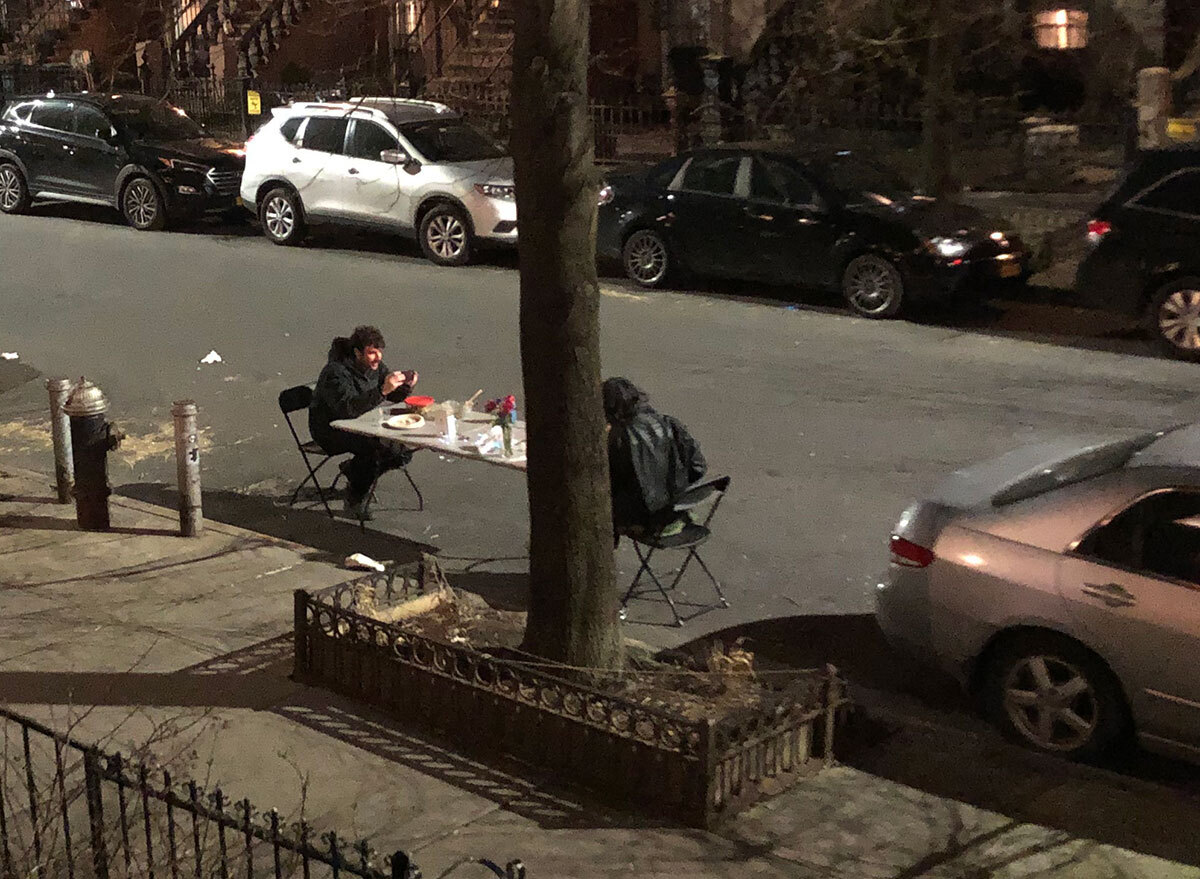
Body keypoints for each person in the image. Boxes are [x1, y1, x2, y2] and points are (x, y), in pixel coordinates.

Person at [309, 325, 419, 519]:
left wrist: (404, 386)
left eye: (379, 352)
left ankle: (354, 470)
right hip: (331, 430)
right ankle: (354, 496)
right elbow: (348, 410)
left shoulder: (374, 368)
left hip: (362, 424)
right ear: (357, 353)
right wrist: (383, 391)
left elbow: (391, 394)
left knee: (402, 453)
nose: (377, 358)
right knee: (376, 451)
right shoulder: (335, 373)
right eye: (371, 353)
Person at [602, 377, 707, 542]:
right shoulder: (668, 423)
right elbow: (698, 468)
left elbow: (610, 485)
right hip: (677, 514)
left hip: (646, 522)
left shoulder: (618, 440)